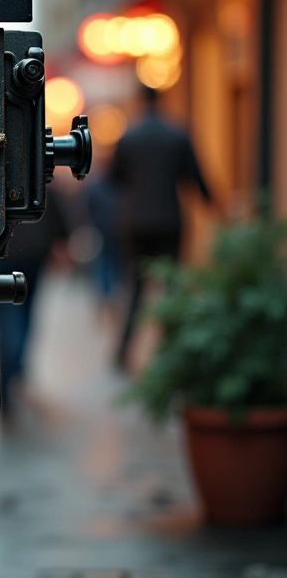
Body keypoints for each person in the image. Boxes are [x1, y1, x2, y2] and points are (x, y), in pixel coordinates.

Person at [111, 84, 211, 369]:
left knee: (135, 288)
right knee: (172, 287)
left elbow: (114, 179)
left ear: (140, 100)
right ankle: (173, 352)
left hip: (135, 222)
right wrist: (217, 208)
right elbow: (196, 177)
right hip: (169, 221)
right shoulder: (177, 134)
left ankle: (123, 352)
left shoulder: (129, 137)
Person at [0, 191, 69, 417]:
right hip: (23, 253)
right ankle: (6, 385)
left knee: (1, 325)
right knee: (18, 322)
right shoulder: (31, 175)